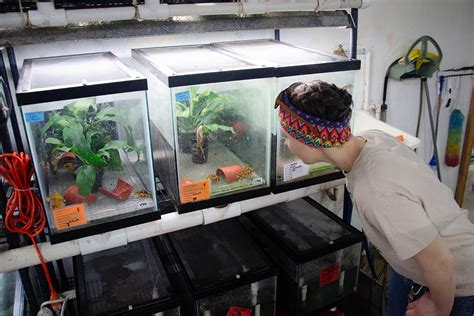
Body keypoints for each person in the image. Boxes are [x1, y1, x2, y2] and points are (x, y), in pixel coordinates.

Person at [274, 80, 474, 316]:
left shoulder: (377, 192)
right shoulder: (371, 138)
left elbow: (440, 262)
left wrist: (439, 308)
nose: (285, 143)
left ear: (310, 140)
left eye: (287, 136)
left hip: (452, 284)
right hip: (415, 266)